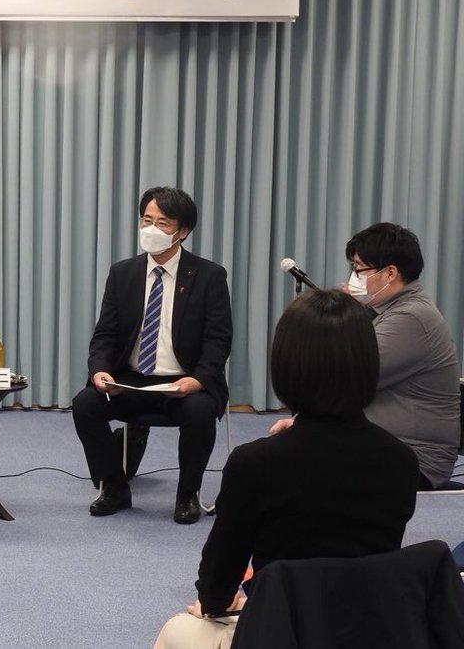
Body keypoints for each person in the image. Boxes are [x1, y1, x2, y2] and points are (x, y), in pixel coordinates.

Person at [153, 289, 419, 649]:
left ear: (286, 366)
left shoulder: (255, 463)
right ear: (368, 365)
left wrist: (227, 603)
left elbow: (215, 589)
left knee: (179, 629)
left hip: (281, 630)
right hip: (369, 632)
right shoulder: (401, 461)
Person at [71, 187, 232, 524]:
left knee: (200, 411)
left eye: (162, 223)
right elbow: (105, 334)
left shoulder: (209, 276)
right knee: (85, 403)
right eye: (147, 220)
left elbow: (218, 340)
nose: (151, 229)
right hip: (131, 380)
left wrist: (198, 380)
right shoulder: (123, 273)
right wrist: (99, 370)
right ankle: (114, 486)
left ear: (182, 231)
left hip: (184, 382)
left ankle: (188, 493)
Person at [270, 223, 460, 489]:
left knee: (289, 466)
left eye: (359, 269)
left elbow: (345, 377)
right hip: (377, 443)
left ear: (390, 273)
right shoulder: (386, 309)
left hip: (413, 458)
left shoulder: (412, 317)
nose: (353, 277)